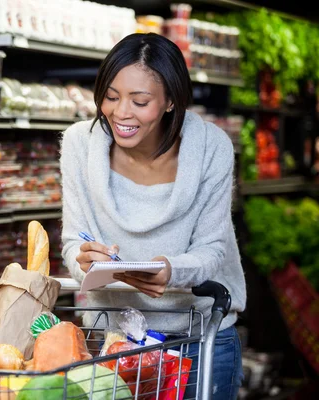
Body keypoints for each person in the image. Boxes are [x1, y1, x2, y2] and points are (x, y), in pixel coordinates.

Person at [60, 33, 246, 400]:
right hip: (113, 340)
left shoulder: (211, 148)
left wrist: (171, 271)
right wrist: (83, 261)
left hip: (199, 338)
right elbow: (73, 243)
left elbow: (211, 251)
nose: (120, 112)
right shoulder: (80, 144)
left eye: (140, 101)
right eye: (110, 96)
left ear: (170, 101)